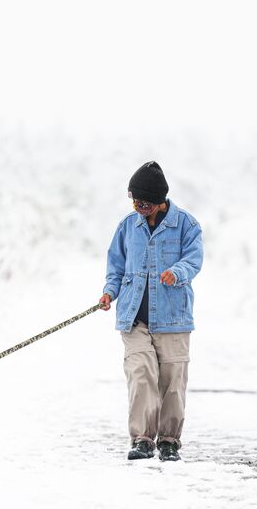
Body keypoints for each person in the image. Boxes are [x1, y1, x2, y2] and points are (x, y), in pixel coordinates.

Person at [99, 161, 203, 462]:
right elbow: (115, 266)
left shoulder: (187, 225)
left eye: (142, 202)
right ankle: (142, 438)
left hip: (173, 318)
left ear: (159, 201)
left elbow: (194, 259)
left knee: (172, 381)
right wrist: (109, 292)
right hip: (134, 318)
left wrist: (177, 272)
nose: (136, 207)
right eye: (133, 200)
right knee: (141, 374)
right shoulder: (127, 226)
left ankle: (169, 440)